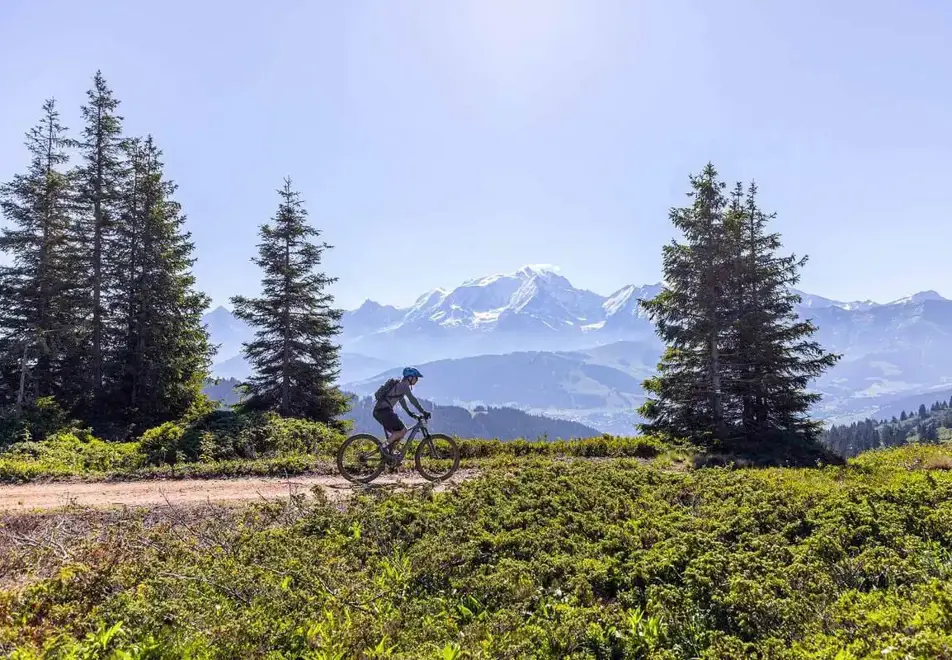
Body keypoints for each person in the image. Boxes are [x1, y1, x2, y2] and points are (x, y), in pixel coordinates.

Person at [373, 367, 430, 455]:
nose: (417, 380)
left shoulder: (399, 386)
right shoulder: (404, 386)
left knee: (398, 433)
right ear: (410, 378)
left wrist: (410, 413)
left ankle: (390, 454)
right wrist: (423, 411)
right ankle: (383, 447)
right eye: (416, 378)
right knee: (403, 430)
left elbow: (402, 402)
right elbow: (412, 400)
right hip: (384, 412)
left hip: (380, 412)